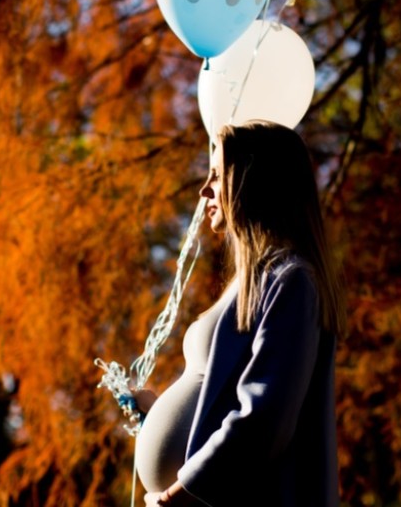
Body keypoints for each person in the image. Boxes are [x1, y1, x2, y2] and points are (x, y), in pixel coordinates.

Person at [133, 119, 345, 507]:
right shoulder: (254, 280)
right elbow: (221, 397)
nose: (204, 190)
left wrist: (178, 495)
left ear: (252, 180)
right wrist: (155, 411)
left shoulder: (292, 281)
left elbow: (265, 420)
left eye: (216, 175)